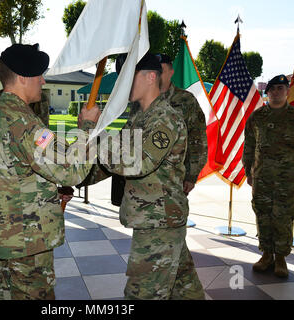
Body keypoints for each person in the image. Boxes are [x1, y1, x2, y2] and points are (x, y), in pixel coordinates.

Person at [0, 43, 100, 300]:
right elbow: (71, 170)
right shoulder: (22, 121)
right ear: (22, 77)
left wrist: (48, 195)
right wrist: (87, 127)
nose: (43, 80)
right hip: (24, 245)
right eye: (39, 74)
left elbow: (11, 175)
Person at [80, 52, 205, 300]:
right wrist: (76, 177)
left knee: (142, 294)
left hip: (160, 222)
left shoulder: (165, 118)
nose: (120, 85)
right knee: (184, 286)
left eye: (127, 77)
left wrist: (93, 131)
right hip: (157, 218)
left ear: (150, 77)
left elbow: (136, 163)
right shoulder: (139, 115)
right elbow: (112, 163)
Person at [243, 74, 294, 278]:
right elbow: (249, 146)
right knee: (262, 214)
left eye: (280, 88)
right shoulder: (257, 118)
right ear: (268, 92)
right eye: (272, 89)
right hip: (262, 178)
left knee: (283, 217)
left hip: (287, 179)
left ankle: (281, 258)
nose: (276, 92)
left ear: (287, 91)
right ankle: (266, 255)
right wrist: (249, 171)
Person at [156, 53, 208, 195]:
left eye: (162, 70)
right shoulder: (142, 101)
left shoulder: (186, 100)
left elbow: (197, 139)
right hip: (142, 179)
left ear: (171, 72)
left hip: (174, 178)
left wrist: (191, 176)